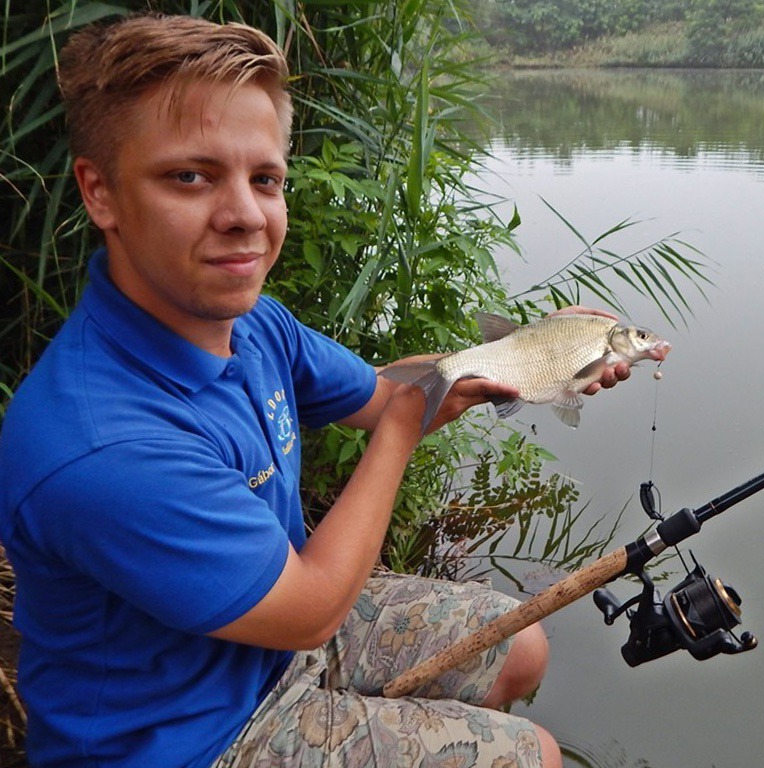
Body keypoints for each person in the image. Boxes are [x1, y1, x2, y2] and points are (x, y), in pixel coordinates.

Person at [0, 13, 656, 768]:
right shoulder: (100, 444)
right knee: (533, 755)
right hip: (187, 735)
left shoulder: (254, 325)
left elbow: (381, 397)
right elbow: (313, 607)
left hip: (267, 643)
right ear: (100, 191)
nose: (245, 215)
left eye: (266, 179)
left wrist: (520, 353)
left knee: (521, 648)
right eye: (190, 175)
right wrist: (406, 426)